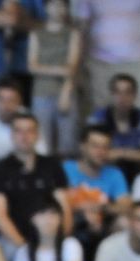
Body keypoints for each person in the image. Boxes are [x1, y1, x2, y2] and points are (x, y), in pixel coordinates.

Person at [0, 111, 68, 258]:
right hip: (13, 240)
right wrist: (24, 247)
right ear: (11, 135)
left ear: (38, 135)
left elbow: (65, 209)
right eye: (19, 131)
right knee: (4, 250)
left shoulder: (52, 166)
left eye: (30, 131)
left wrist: (60, 241)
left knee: (71, 248)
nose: (24, 136)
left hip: (50, 238)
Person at [73, 0, 140, 117]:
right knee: (100, 116)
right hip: (100, 65)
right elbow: (81, 30)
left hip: (139, 63)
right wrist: (81, 64)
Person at [26, 0, 79, 159]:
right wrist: (60, 69)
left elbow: (72, 67)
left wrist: (66, 92)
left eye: (62, 5)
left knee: (68, 145)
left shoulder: (72, 34)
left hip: (66, 92)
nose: (59, 9)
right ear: (46, 8)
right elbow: (32, 67)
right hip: (41, 92)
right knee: (42, 144)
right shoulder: (36, 34)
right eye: (54, 5)